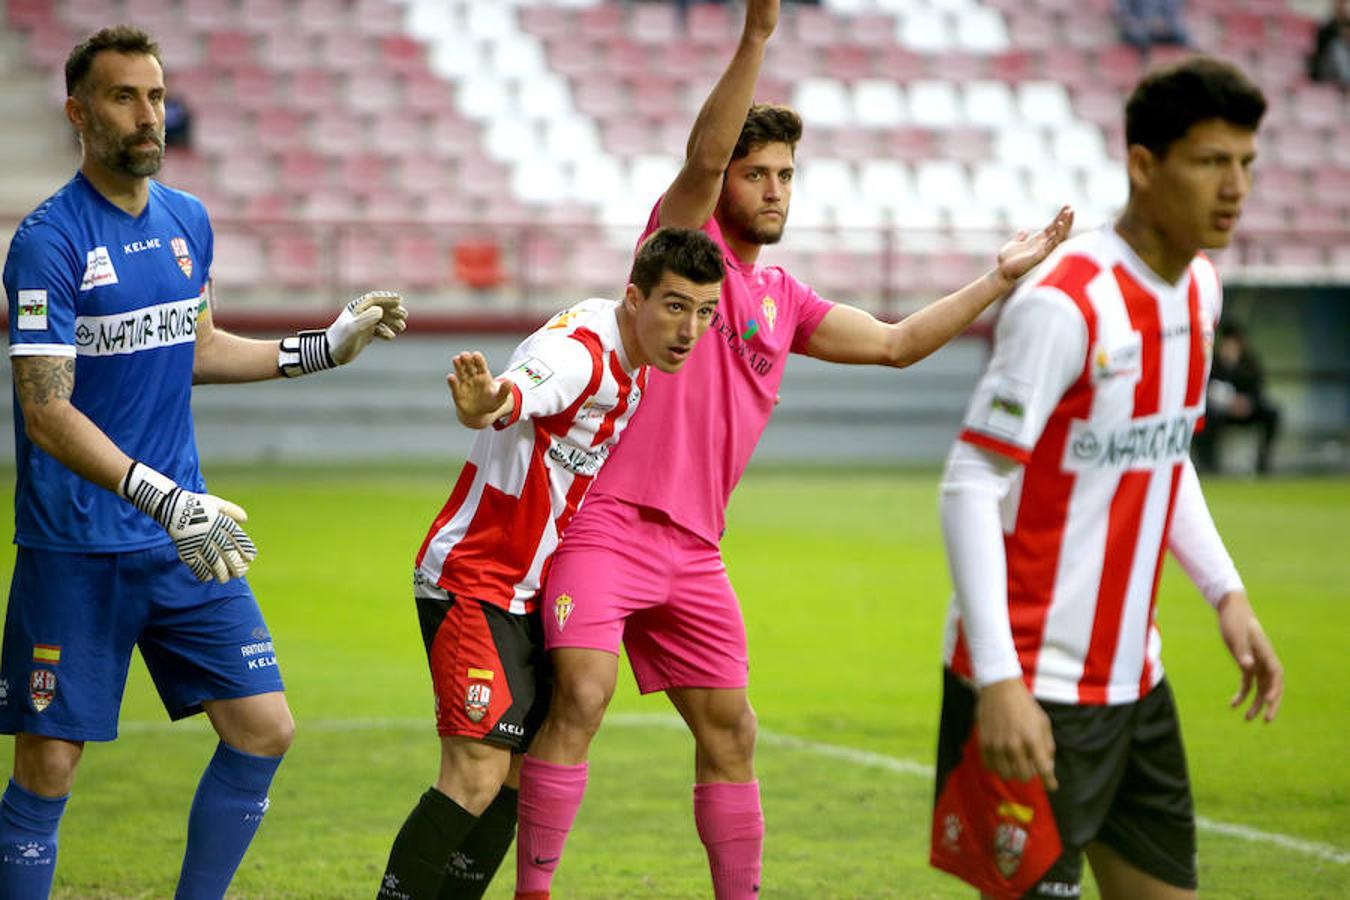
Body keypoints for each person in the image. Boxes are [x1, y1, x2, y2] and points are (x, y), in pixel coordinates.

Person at [511, 2, 1074, 898]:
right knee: (581, 698)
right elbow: (701, 160)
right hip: (606, 525)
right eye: (758, 173)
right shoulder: (681, 253)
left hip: (695, 549)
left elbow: (896, 344)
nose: (774, 189)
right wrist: (757, 38)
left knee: (732, 732)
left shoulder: (786, 298)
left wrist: (1000, 278)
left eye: (786, 175)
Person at [1, 26, 407, 898]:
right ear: (77, 113)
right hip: (78, 545)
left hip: (181, 537)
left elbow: (198, 346)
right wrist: (162, 498)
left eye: (155, 95)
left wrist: (324, 348)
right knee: (50, 764)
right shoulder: (48, 243)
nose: (149, 114)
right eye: (123, 97)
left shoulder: (188, 220)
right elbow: (45, 412)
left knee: (264, 728)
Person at [928, 56, 1283, 900]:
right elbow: (970, 482)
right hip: (1033, 686)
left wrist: (1226, 591)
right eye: (1210, 162)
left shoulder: (1200, 290)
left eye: (1246, 164)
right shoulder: (1065, 303)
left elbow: (1163, 452)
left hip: (1137, 681)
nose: (1234, 187)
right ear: (1143, 165)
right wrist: (1003, 684)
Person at [377, 227, 724, 900]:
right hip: (472, 580)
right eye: (676, 306)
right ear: (635, 297)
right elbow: (523, 388)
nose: (690, 329)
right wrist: (488, 402)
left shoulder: (636, 358)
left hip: (532, 595)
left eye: (705, 312)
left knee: (515, 778)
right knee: (475, 774)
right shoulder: (584, 356)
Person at [1191, 321, 1281, 476]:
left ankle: (1263, 461)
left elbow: (1257, 389)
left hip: (1245, 410)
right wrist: (1228, 402)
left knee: (1271, 413)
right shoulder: (1213, 361)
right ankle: (1208, 463)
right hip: (1219, 411)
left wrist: (1248, 402)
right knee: (1202, 419)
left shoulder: (1249, 362)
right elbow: (1204, 388)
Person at [1116, 0, 1189, 51]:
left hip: (1161, 29)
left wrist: (1165, 24)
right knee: (1140, 36)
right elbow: (1123, 14)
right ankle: (1144, 64)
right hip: (1138, 29)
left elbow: (1173, 14)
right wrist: (1142, 24)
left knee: (1181, 34)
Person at [1309, 0, 1350, 87]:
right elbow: (1320, 46)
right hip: (1326, 67)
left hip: (1341, 68)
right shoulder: (1327, 24)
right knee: (1338, 47)